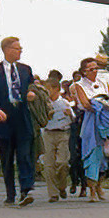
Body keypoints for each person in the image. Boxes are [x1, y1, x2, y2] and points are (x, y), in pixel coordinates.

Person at [0, 36, 37, 207]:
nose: (20, 51)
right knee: (7, 158)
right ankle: (10, 192)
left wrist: (31, 93)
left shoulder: (25, 70)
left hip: (22, 117)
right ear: (7, 50)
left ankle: (26, 189)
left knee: (25, 154)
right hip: (5, 118)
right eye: (17, 48)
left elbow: (32, 86)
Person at [72, 57, 109, 201]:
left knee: (104, 155)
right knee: (91, 154)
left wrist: (104, 107)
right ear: (84, 72)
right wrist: (98, 105)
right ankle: (91, 188)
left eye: (96, 68)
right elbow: (85, 104)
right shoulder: (79, 85)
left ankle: (99, 185)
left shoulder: (103, 82)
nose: (94, 72)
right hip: (89, 121)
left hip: (104, 122)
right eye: (91, 69)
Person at [41, 71, 72, 201]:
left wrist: (69, 113)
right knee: (49, 165)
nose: (47, 93)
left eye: (48, 90)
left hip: (62, 133)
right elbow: (40, 119)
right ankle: (53, 193)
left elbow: (72, 119)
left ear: (56, 89)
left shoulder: (64, 103)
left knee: (62, 163)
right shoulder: (44, 104)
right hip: (48, 133)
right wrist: (46, 116)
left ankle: (62, 185)